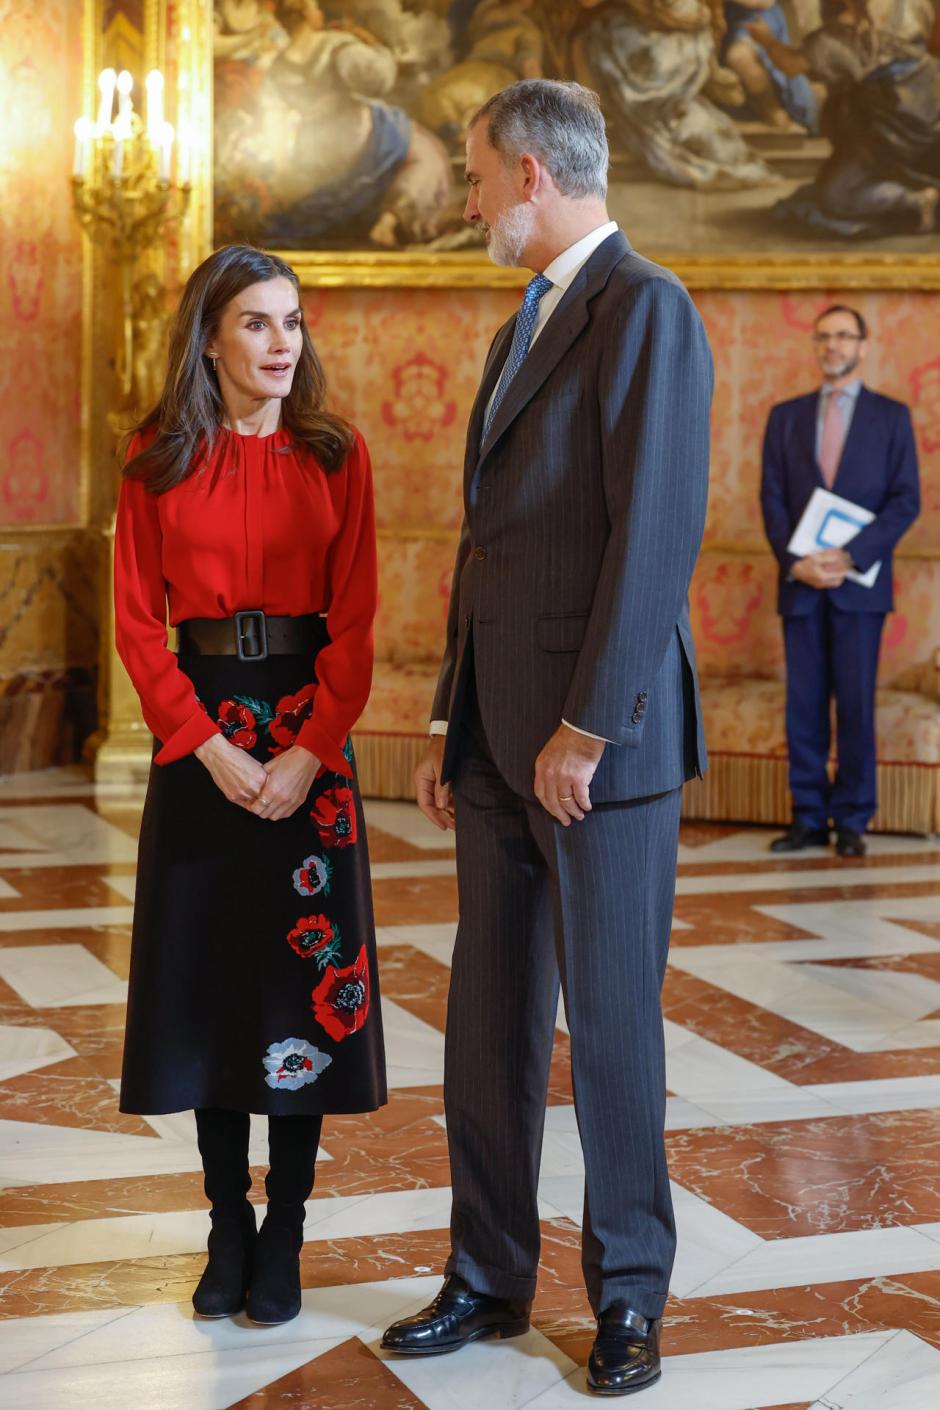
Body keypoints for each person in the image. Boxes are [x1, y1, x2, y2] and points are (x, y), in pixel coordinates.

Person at [381, 80, 712, 1397]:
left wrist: (585, 725)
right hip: (497, 742)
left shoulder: (648, 308)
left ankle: (629, 1293)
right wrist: (452, 715)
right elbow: (493, 548)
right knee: (489, 1019)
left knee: (615, 1025)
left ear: (529, 172)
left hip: (599, 748)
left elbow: (656, 537)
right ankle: (485, 1270)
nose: (464, 202)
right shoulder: (527, 320)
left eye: (472, 178)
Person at [114, 243, 386, 1328]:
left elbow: (359, 620)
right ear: (211, 337)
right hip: (202, 744)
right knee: (214, 987)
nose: (284, 344)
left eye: (295, 323)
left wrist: (311, 747)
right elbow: (138, 623)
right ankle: (227, 1221)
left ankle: (288, 1231)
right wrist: (203, 743)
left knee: (295, 993)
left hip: (306, 742)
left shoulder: (336, 453)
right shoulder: (156, 454)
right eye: (260, 324)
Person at [760, 304, 920, 857]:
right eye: (824, 336)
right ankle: (807, 818)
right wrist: (794, 561)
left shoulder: (891, 417)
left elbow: (906, 501)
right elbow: (772, 498)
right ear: (814, 345)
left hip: (860, 586)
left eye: (844, 336)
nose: (833, 345)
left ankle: (852, 820)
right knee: (803, 705)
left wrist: (849, 556)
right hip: (801, 583)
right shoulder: (785, 417)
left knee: (854, 705)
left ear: (863, 346)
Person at [750, 0, 940, 236]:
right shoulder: (914, 4)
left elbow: (789, 64)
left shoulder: (835, 38)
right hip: (929, 104)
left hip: (890, 126)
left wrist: (766, 39)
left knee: (837, 197)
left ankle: (920, 200)